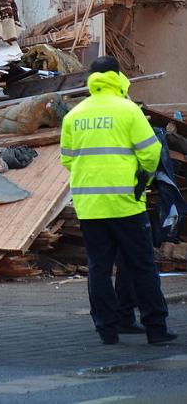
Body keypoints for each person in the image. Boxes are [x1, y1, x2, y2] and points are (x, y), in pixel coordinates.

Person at [60, 55, 176, 345]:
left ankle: (107, 330)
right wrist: (143, 179)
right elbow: (151, 153)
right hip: (126, 204)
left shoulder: (75, 115)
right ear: (118, 76)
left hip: (90, 207)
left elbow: (67, 160)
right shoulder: (128, 111)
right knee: (141, 265)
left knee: (99, 267)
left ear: (92, 79)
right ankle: (156, 329)